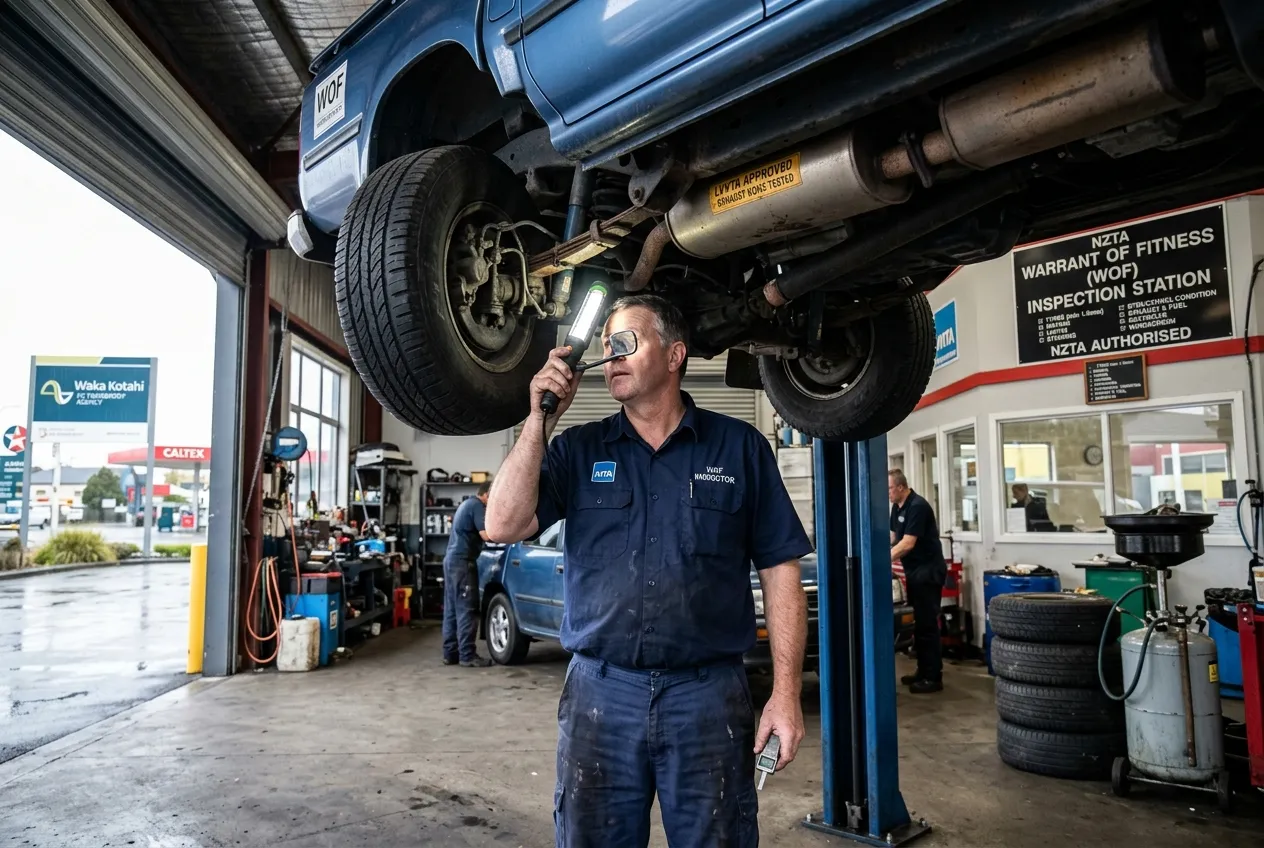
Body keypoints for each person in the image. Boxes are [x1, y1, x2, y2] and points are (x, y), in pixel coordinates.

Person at [486, 294, 813, 848]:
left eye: (625, 343)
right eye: (606, 345)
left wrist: (785, 694)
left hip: (708, 699)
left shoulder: (739, 449)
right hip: (600, 698)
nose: (610, 356)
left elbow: (781, 570)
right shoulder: (578, 450)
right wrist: (538, 422)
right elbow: (502, 523)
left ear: (675, 354)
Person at [889, 469, 947, 694]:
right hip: (914, 573)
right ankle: (922, 671)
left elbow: (907, 543)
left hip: (928, 573)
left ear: (901, 487)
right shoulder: (897, 508)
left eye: (890, 488)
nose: (888, 493)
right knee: (919, 624)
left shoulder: (918, 507)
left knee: (927, 625)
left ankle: (933, 677)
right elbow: (894, 538)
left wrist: (881, 561)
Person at [441, 480, 494, 667]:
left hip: (451, 561)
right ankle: (467, 655)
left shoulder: (466, 504)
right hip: (463, 563)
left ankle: (450, 654)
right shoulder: (477, 506)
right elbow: (487, 535)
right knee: (467, 608)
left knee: (451, 609)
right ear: (487, 494)